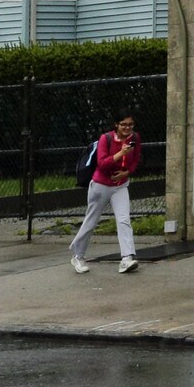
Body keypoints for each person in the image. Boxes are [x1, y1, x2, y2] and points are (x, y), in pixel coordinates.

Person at [68, 113, 142, 274]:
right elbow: (102, 164)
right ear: (116, 125)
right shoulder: (105, 138)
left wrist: (127, 172)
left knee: (124, 220)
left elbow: (136, 159)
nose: (127, 128)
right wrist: (120, 154)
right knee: (91, 221)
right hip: (100, 185)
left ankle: (127, 258)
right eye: (123, 124)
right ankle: (78, 256)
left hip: (120, 186)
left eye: (130, 124)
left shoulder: (135, 138)